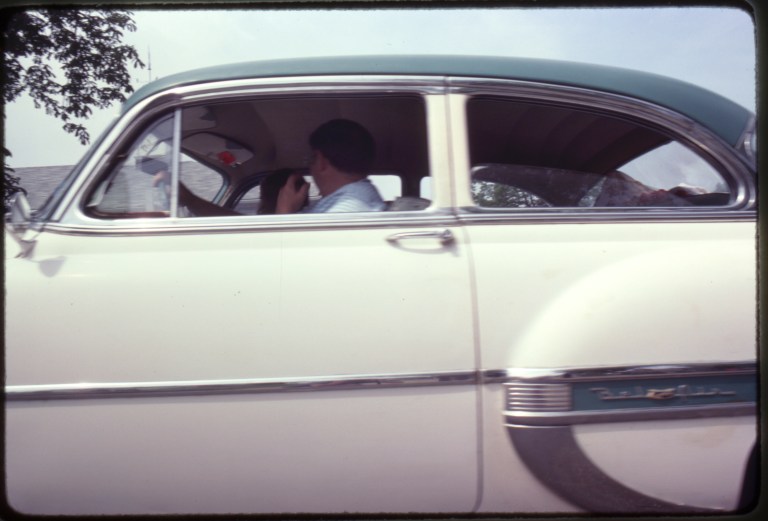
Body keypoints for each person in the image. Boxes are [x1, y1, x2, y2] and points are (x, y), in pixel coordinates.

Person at [276, 119, 385, 214]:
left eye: (312, 159)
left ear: (321, 162)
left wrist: (283, 211)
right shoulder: (355, 198)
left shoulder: (345, 210)